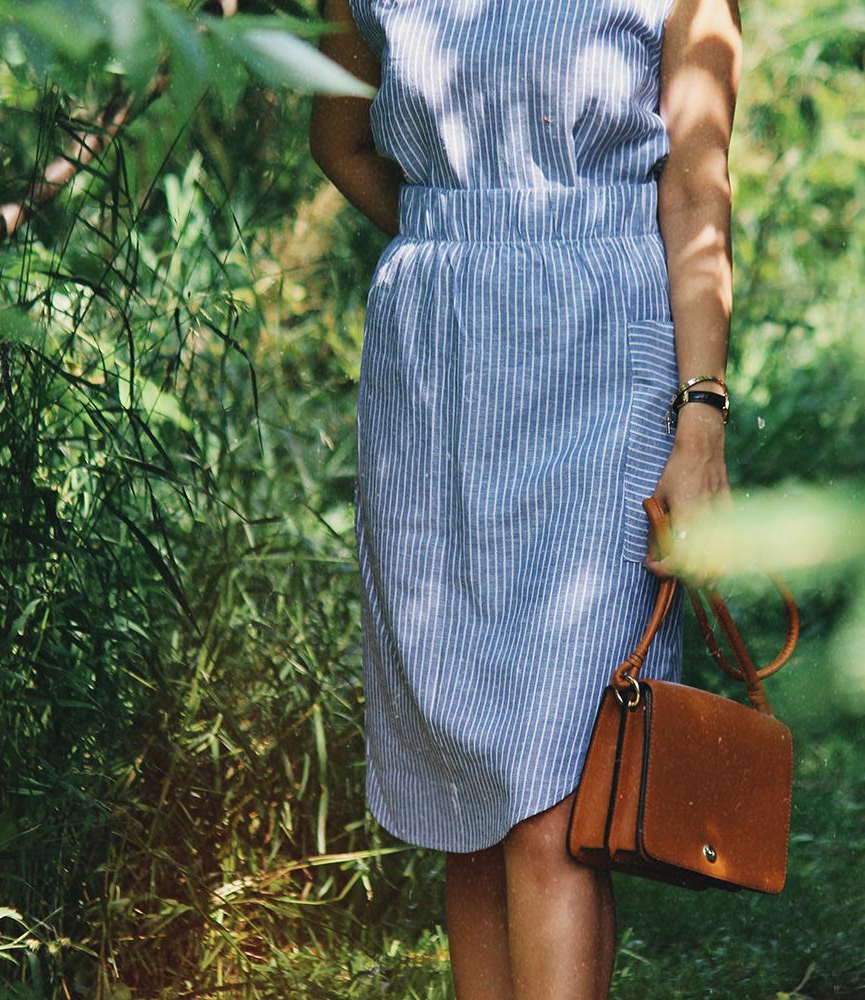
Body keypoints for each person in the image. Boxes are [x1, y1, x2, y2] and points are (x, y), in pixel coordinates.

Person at [310, 0, 739, 996]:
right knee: (473, 792)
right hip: (437, 382)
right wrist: (466, 245)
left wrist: (701, 418)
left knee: (557, 803)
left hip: (609, 360)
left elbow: (695, 192)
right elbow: (340, 138)